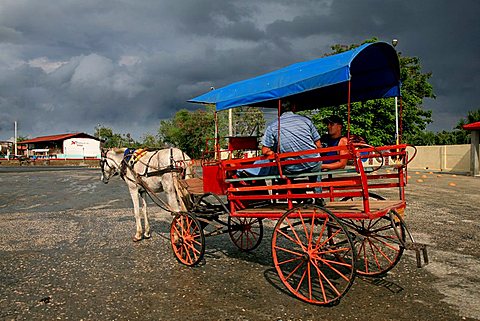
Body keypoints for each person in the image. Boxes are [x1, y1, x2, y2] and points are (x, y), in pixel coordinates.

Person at [261, 101, 322, 174]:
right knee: (317, 163)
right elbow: (318, 145)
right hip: (313, 164)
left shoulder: (272, 126)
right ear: (294, 107)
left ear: (279, 110)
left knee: (278, 168)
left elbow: (265, 151)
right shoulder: (306, 121)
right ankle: (317, 185)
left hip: (291, 168)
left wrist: (276, 154)